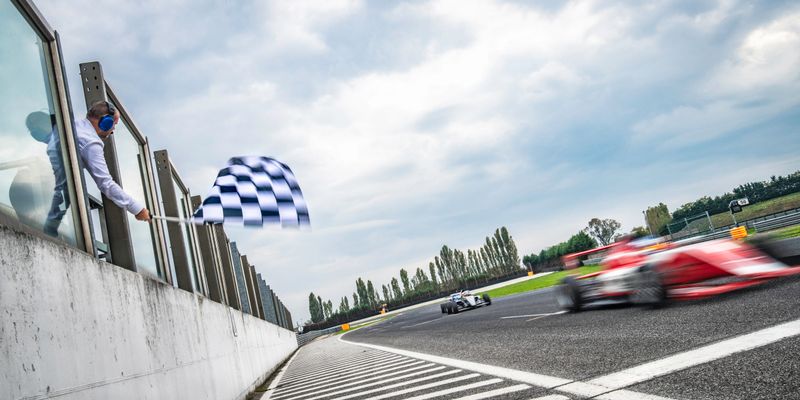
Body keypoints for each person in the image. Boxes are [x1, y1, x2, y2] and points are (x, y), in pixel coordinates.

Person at [42, 101, 150, 237]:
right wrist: (137, 209)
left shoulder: (74, 126)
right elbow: (106, 184)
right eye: (114, 125)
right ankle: (49, 231)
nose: (113, 130)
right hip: (53, 191)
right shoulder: (90, 143)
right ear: (106, 122)